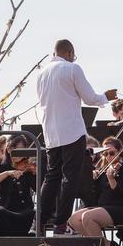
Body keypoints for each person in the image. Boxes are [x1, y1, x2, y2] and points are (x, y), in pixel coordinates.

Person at [36, 39, 116, 234]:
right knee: (70, 179)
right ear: (70, 52)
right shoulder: (72, 69)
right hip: (72, 132)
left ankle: (38, 221)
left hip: (51, 134)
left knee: (51, 176)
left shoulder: (41, 73)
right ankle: (60, 224)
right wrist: (106, 96)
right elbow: (90, 98)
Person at [67, 138, 123, 246]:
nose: (108, 156)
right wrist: (91, 181)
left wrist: (111, 179)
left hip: (122, 208)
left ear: (119, 152)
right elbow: (93, 198)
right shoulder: (102, 170)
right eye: (105, 153)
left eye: (112, 153)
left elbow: (119, 194)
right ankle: (106, 244)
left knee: (88, 217)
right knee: (73, 219)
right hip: (103, 207)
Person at [0, 135, 37, 237]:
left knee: (31, 214)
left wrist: (37, 172)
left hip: (24, 209)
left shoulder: (29, 166)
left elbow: (38, 188)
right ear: (8, 149)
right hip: (5, 207)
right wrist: (7, 173)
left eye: (21, 150)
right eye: (14, 149)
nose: (18, 153)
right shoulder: (1, 163)